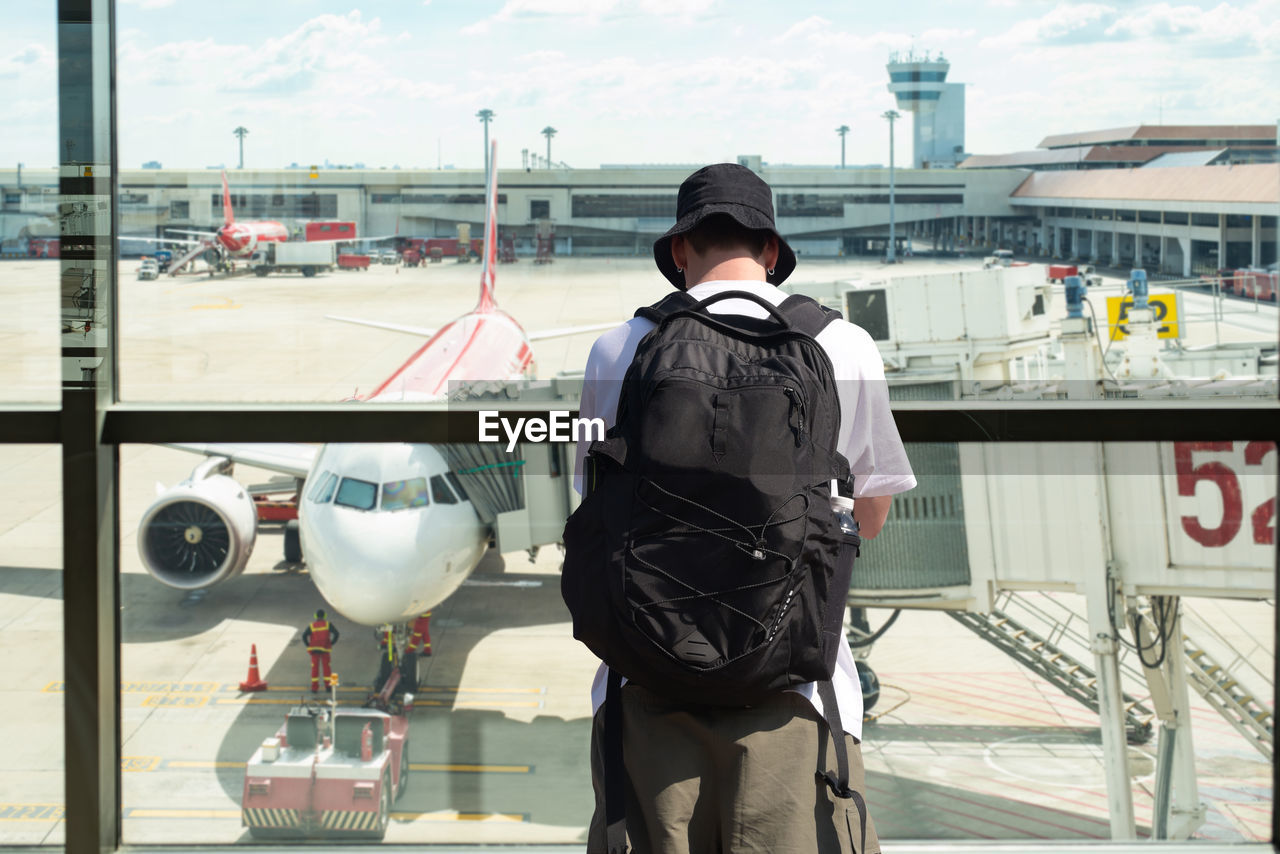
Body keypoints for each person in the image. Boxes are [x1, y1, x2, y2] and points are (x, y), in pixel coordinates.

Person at [573, 163, 916, 854]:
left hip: (644, 686)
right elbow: (868, 519)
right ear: (769, 250)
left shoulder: (618, 348)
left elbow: (596, 504)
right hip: (795, 693)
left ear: (679, 251)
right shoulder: (843, 346)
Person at [302, 608, 339, 693]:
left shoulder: (312, 625)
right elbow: (337, 634)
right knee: (327, 668)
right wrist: (331, 643)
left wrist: (308, 645)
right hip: (325, 650)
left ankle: (314, 688)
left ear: (315, 616)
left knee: (315, 669)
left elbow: (304, 636)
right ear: (324, 616)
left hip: (314, 651)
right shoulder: (328, 624)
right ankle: (328, 687)